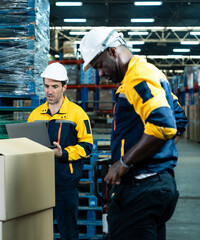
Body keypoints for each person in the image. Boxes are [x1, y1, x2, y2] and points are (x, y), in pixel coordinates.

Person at [80, 27, 188, 240]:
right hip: (156, 185)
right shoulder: (147, 73)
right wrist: (155, 153)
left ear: (112, 51)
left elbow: (163, 126)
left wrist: (125, 163)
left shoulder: (138, 77)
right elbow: (179, 121)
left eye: (100, 65)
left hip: (142, 188)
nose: (100, 73)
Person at [27, 62, 93, 240]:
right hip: (40, 184)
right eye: (47, 86)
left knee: (68, 232)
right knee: (39, 231)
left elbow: (87, 146)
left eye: (55, 86)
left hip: (65, 184)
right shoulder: (35, 115)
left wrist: (63, 153)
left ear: (64, 87)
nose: (50, 91)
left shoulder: (77, 114)